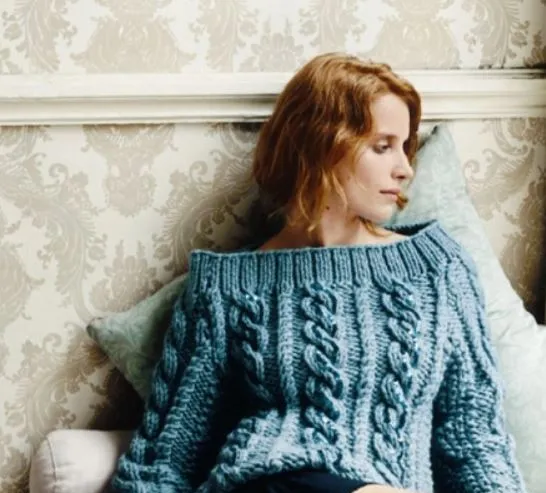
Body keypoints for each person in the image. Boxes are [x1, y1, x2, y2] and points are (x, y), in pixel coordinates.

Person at [110, 53, 527, 493]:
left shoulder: (437, 270)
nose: (405, 168)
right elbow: (163, 460)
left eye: (405, 147)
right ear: (322, 146)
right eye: (382, 146)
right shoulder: (225, 289)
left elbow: (476, 441)